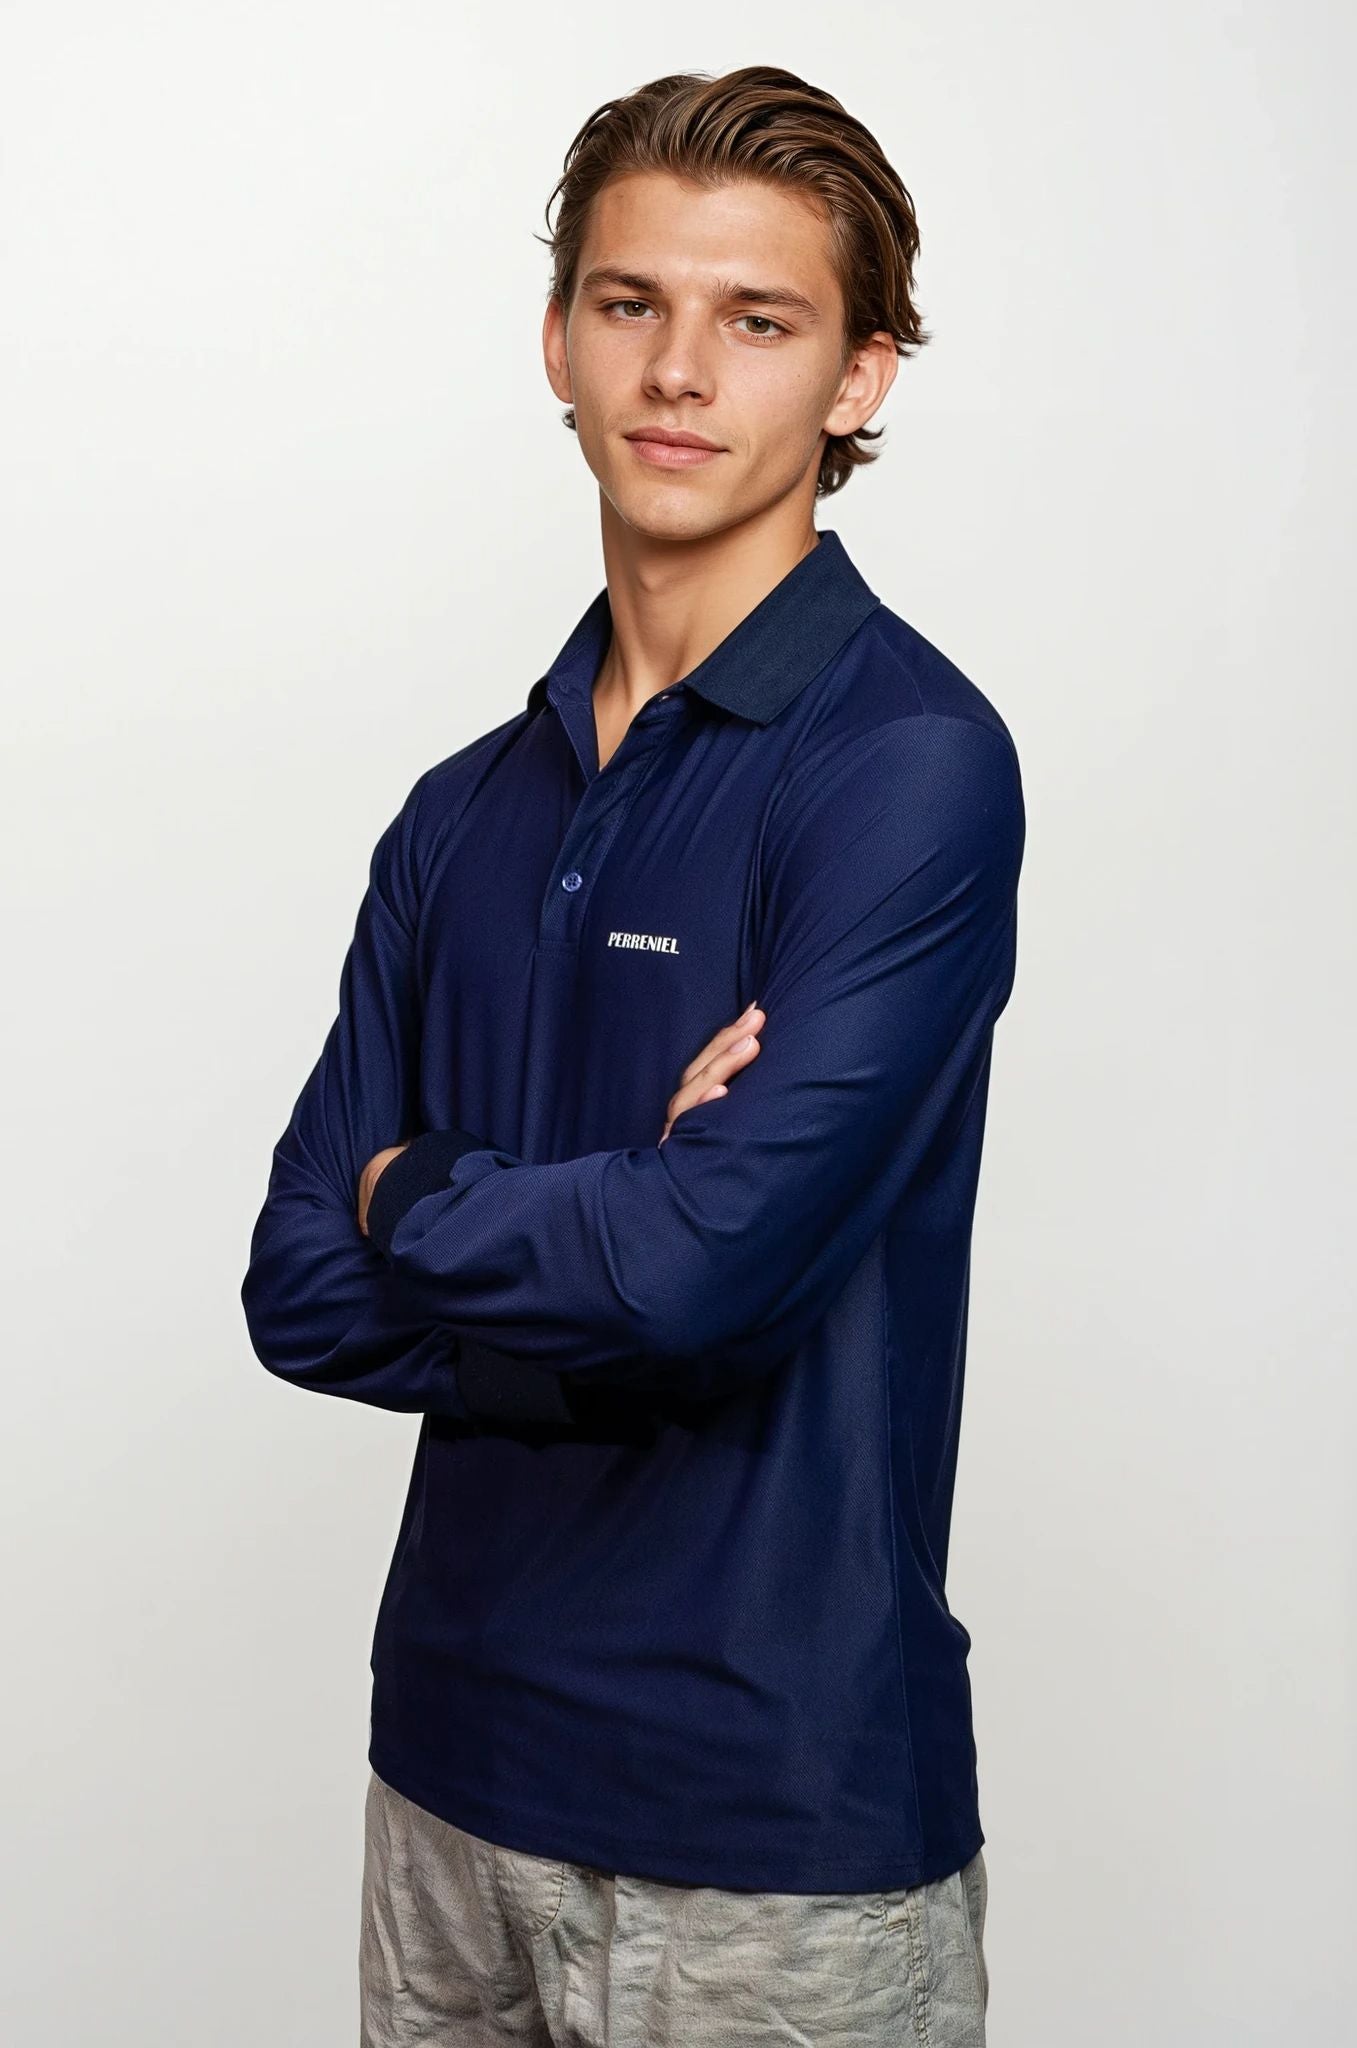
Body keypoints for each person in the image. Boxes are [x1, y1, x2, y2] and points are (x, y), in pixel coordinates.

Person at [241, 61, 1024, 2048]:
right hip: (448, 1776)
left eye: (756, 320)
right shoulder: (459, 815)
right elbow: (294, 1287)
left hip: (769, 1828)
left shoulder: (907, 773)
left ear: (860, 377)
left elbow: (706, 1267)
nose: (678, 368)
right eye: (627, 303)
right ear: (558, 344)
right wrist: (624, 1229)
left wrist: (424, 1188)